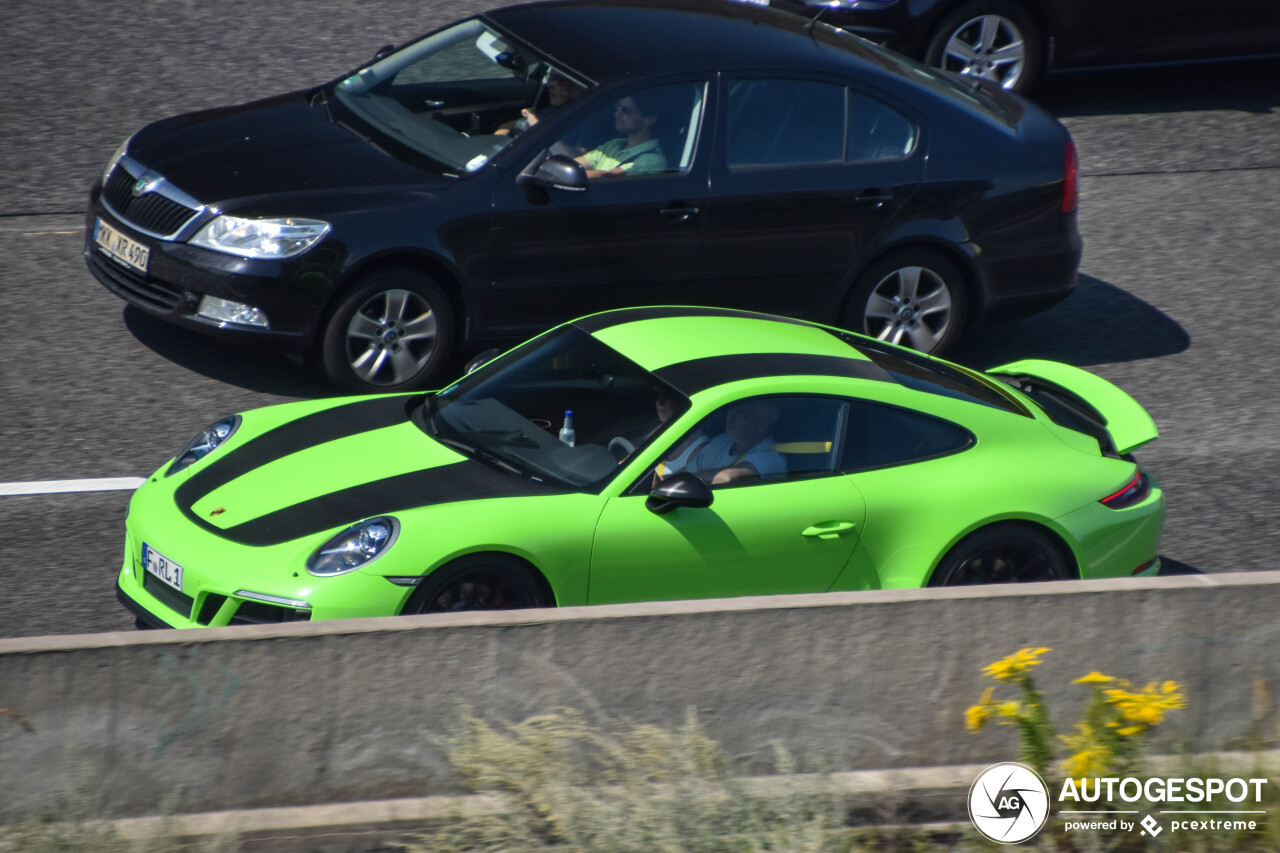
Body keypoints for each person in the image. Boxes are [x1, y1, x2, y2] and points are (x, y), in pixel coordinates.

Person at [658, 400, 785, 486]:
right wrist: (662, 483)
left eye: (741, 411)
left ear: (762, 424)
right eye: (732, 409)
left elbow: (727, 478)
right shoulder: (720, 441)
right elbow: (686, 472)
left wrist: (681, 482)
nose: (731, 415)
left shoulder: (770, 456)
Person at [575, 94, 668, 178]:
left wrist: (568, 176)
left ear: (649, 119)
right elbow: (577, 163)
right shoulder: (615, 144)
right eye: (617, 108)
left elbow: (609, 176)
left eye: (625, 111)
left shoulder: (652, 159)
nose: (616, 114)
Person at [495, 71, 583, 136]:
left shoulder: (585, 119)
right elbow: (507, 126)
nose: (550, 85)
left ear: (577, 88)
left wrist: (535, 124)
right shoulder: (549, 111)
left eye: (559, 80)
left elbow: (574, 158)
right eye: (550, 78)